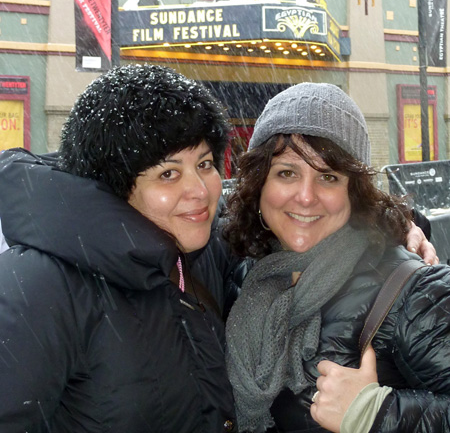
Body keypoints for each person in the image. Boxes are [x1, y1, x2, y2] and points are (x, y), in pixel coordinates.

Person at [0, 64, 237, 432]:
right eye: (168, 173)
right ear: (114, 187)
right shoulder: (38, 287)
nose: (201, 190)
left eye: (205, 164)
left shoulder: (198, 254)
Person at [224, 82, 450, 433]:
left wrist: (376, 413)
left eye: (328, 176)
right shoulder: (245, 273)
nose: (305, 196)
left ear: (354, 191)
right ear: (259, 184)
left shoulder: (415, 292)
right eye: (287, 173)